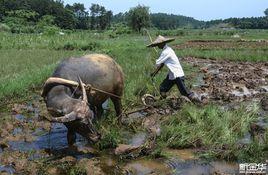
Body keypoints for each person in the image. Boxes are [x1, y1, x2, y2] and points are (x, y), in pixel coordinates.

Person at [147, 35, 201, 103]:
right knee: (162, 88)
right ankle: (162, 102)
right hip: (172, 75)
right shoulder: (167, 50)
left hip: (177, 75)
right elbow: (162, 64)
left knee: (185, 93)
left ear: (163, 43)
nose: (158, 46)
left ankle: (200, 103)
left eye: (158, 44)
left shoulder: (166, 52)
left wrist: (153, 73)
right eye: (157, 45)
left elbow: (158, 63)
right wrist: (154, 73)